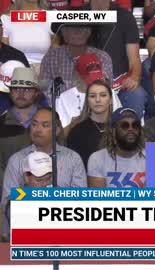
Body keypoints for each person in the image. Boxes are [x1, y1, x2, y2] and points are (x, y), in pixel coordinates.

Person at [1, 107, 87, 238]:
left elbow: (81, 202)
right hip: (26, 235)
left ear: (57, 130)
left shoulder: (73, 159)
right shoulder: (16, 160)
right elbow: (7, 205)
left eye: (45, 125)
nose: (37, 129)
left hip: (65, 236)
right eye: (34, 124)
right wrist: (29, 192)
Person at [87, 0, 145, 118]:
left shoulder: (125, 17)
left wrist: (134, 77)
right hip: (84, 83)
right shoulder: (76, 15)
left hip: (119, 84)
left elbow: (134, 59)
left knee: (137, 94)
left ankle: (131, 132)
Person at [40, 22, 113, 100]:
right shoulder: (51, 57)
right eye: (72, 27)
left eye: (82, 27)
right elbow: (45, 89)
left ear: (89, 32)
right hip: (59, 108)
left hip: (93, 107)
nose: (78, 31)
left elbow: (106, 89)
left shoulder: (102, 57)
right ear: (64, 33)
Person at [0, 67, 41, 184]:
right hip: (9, 193)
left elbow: (62, 156)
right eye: (16, 89)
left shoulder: (50, 119)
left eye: (27, 90)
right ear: (10, 92)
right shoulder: (1, 123)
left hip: (46, 193)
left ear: (36, 93)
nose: (21, 93)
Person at [87, 107, 146, 187]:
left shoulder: (154, 158)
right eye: (125, 126)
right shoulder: (97, 159)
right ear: (113, 131)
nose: (131, 129)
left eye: (135, 125)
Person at [67, 80, 114, 169]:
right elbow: (74, 166)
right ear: (87, 101)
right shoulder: (77, 132)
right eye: (92, 96)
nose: (98, 99)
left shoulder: (120, 127)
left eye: (103, 95)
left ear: (110, 100)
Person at [1, 0, 54, 69]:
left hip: (44, 70)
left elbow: (56, 52)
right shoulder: (6, 19)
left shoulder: (52, 17)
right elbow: (4, 52)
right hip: (16, 71)